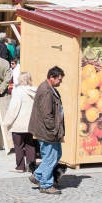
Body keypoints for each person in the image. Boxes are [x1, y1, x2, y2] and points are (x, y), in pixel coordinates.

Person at [28, 66, 66, 194]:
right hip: (47, 131)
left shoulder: (50, 89)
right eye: (59, 79)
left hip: (51, 131)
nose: (61, 81)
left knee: (57, 155)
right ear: (51, 78)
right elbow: (46, 114)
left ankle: (38, 175)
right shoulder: (46, 91)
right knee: (50, 158)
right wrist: (54, 129)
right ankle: (45, 185)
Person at [4, 72, 36, 173]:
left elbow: (14, 108)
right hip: (30, 122)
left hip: (19, 123)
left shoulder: (19, 91)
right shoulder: (34, 91)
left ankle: (20, 166)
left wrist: (7, 121)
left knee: (18, 146)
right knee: (30, 144)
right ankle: (31, 166)